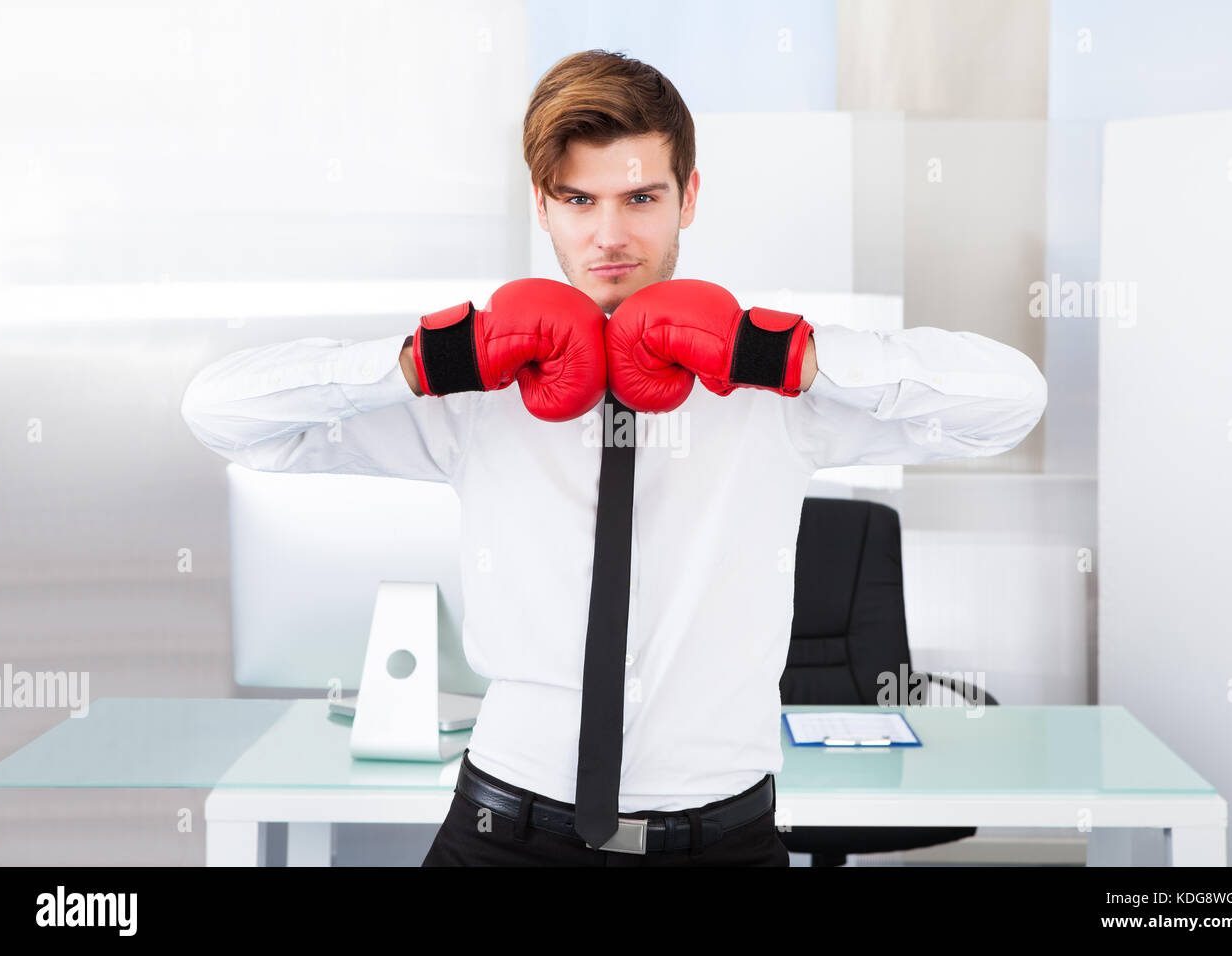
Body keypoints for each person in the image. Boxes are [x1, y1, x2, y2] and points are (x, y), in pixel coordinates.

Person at [180, 49, 1048, 867]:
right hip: (504, 827)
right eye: (578, 200)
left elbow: (1009, 404)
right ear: (543, 205)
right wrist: (420, 360)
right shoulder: (474, 397)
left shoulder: (779, 393)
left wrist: (798, 357)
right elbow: (224, 417)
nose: (609, 236)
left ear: (689, 197)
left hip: (723, 837)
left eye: (640, 198)